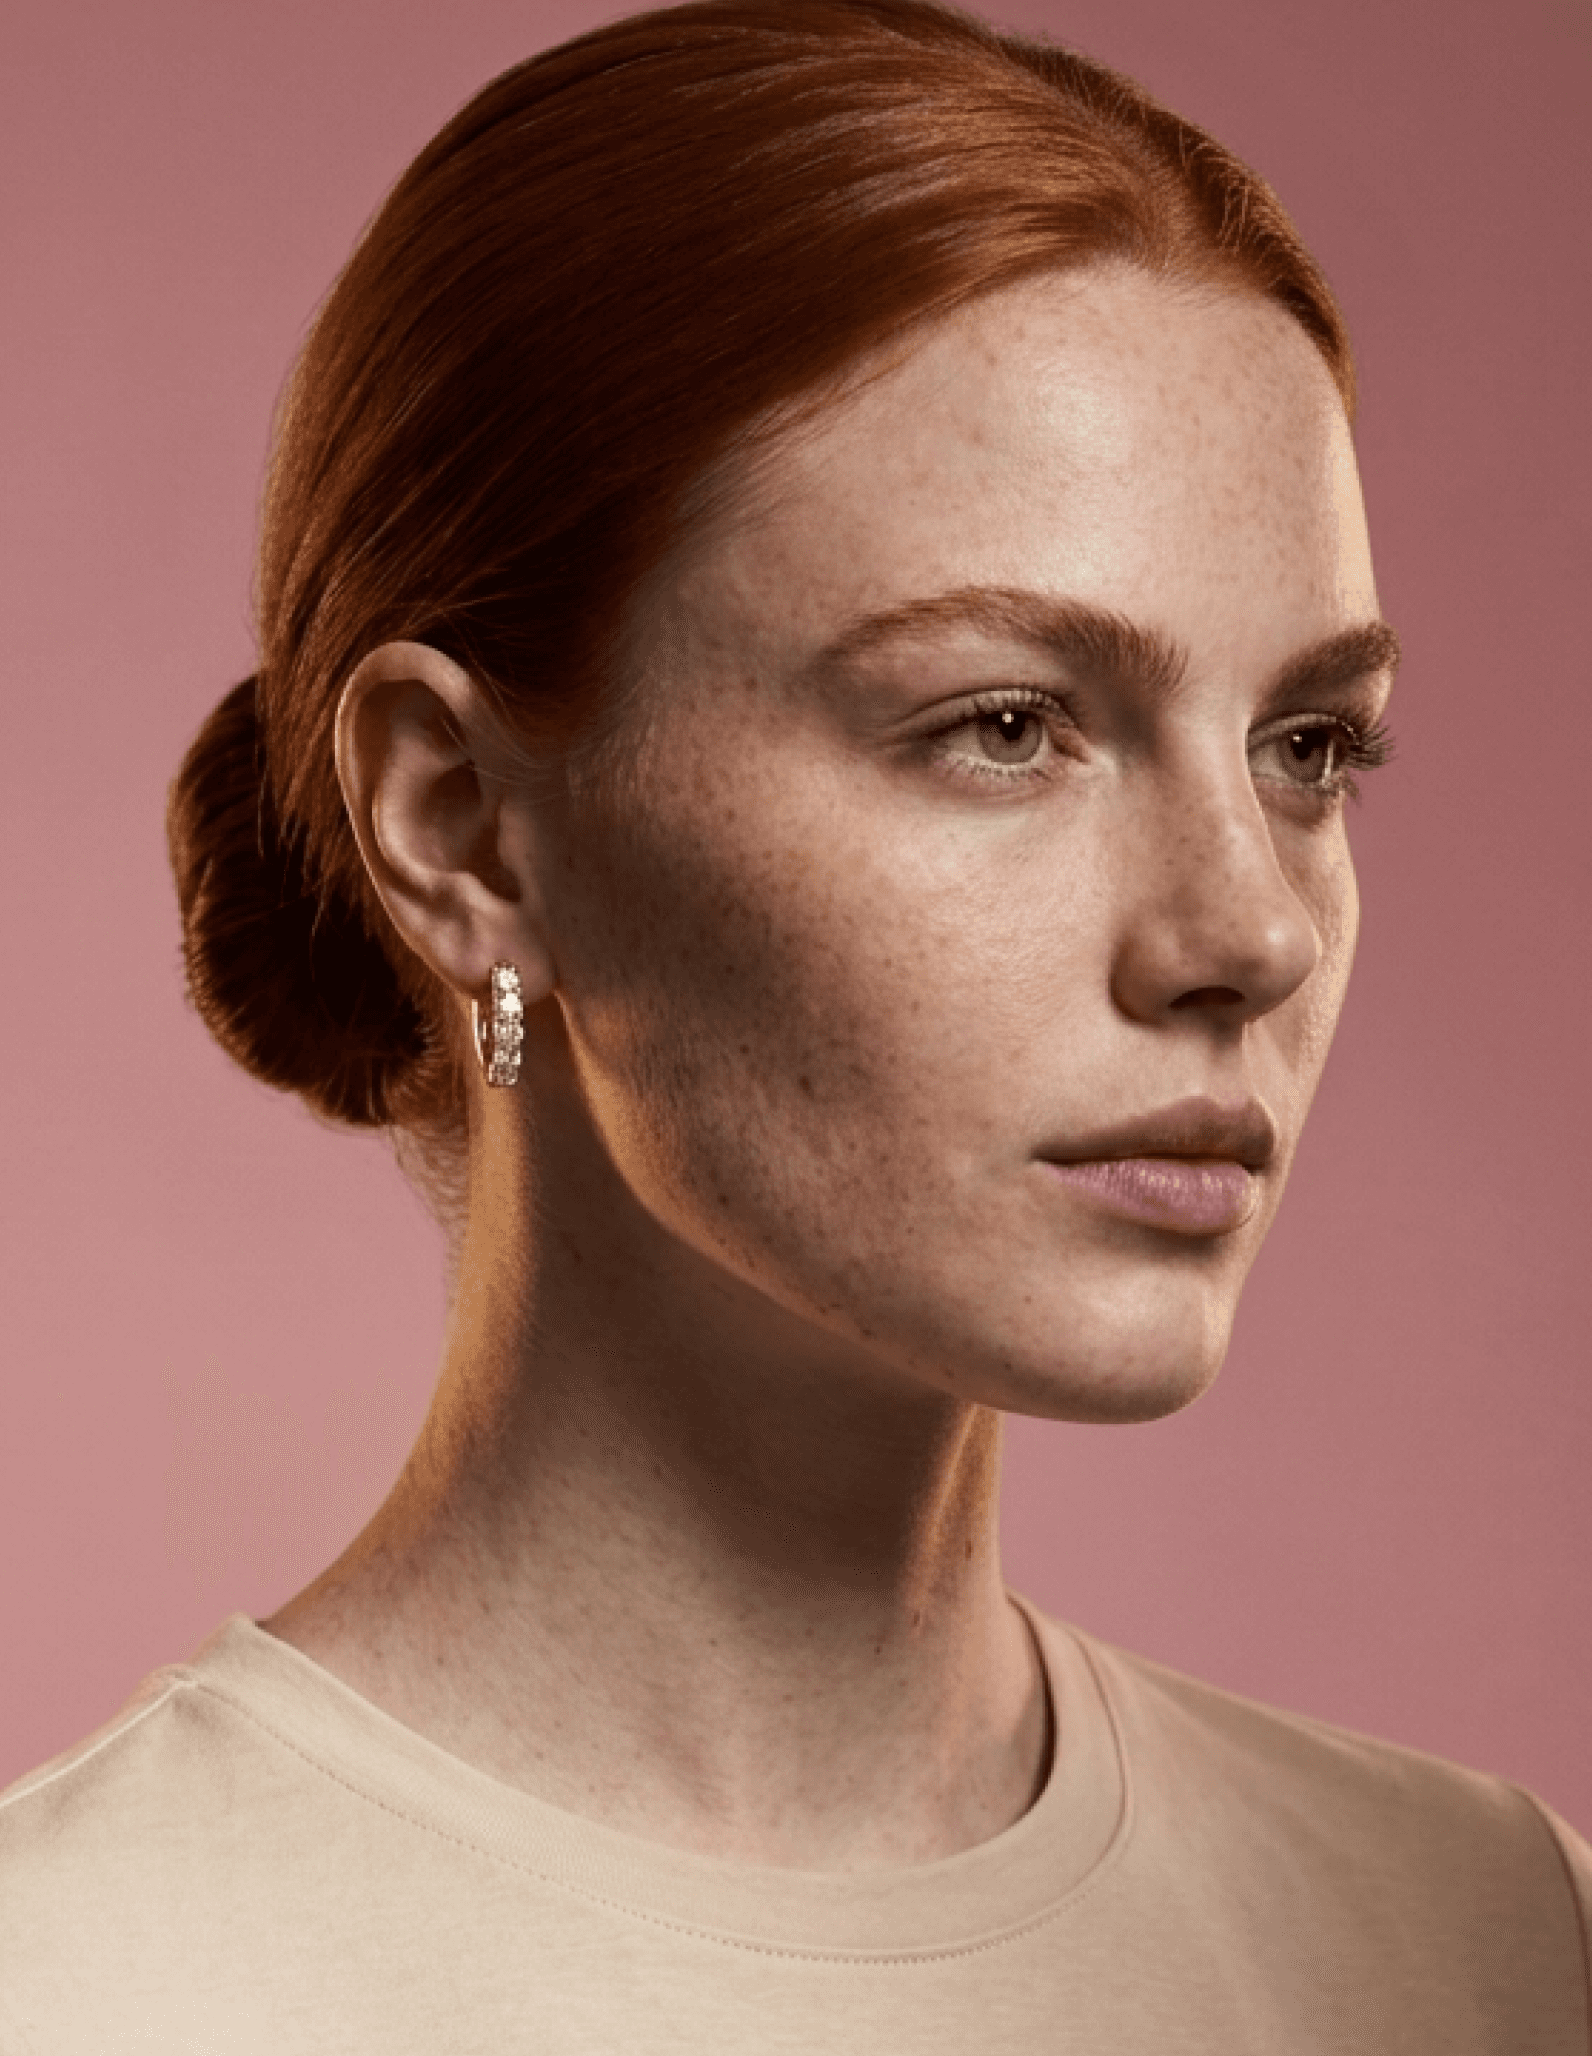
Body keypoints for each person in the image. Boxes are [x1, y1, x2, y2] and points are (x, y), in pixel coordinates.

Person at [2, 0, 1586, 2045]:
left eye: (1309, 744)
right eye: (1003, 725)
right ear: (463, 826)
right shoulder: (76, 1983)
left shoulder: (1502, 1942)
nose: (1250, 930)